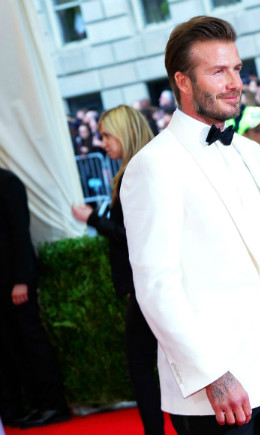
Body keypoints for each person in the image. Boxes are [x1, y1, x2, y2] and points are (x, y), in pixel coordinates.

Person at [120, 16, 260, 435]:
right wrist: (212, 374)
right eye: (218, 71)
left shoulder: (251, 152)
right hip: (215, 389)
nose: (235, 83)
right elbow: (157, 287)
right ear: (183, 82)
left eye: (237, 69)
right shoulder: (153, 165)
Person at [71, 105, 164, 435]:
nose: (102, 143)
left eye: (107, 135)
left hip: (148, 284)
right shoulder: (139, 168)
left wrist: (93, 219)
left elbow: (132, 235)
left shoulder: (136, 172)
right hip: (146, 283)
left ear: (125, 133)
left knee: (141, 365)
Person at [0, 168, 70, 429]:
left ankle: (54, 405)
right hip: (2, 284)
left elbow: (20, 232)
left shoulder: (8, 182)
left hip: (16, 281)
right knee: (12, 347)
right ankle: (36, 405)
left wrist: (22, 279)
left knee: (32, 342)